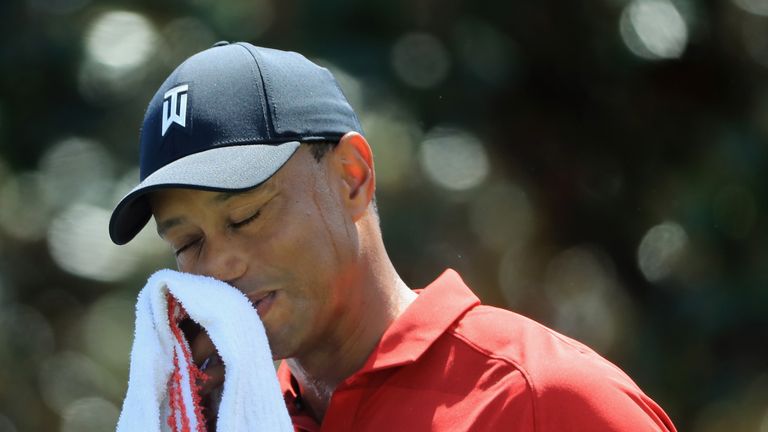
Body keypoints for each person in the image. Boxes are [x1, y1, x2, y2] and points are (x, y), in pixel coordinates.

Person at [109, 41, 677, 431]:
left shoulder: (544, 400)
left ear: (352, 178)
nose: (220, 264)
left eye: (246, 216)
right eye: (187, 243)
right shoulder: (215, 417)